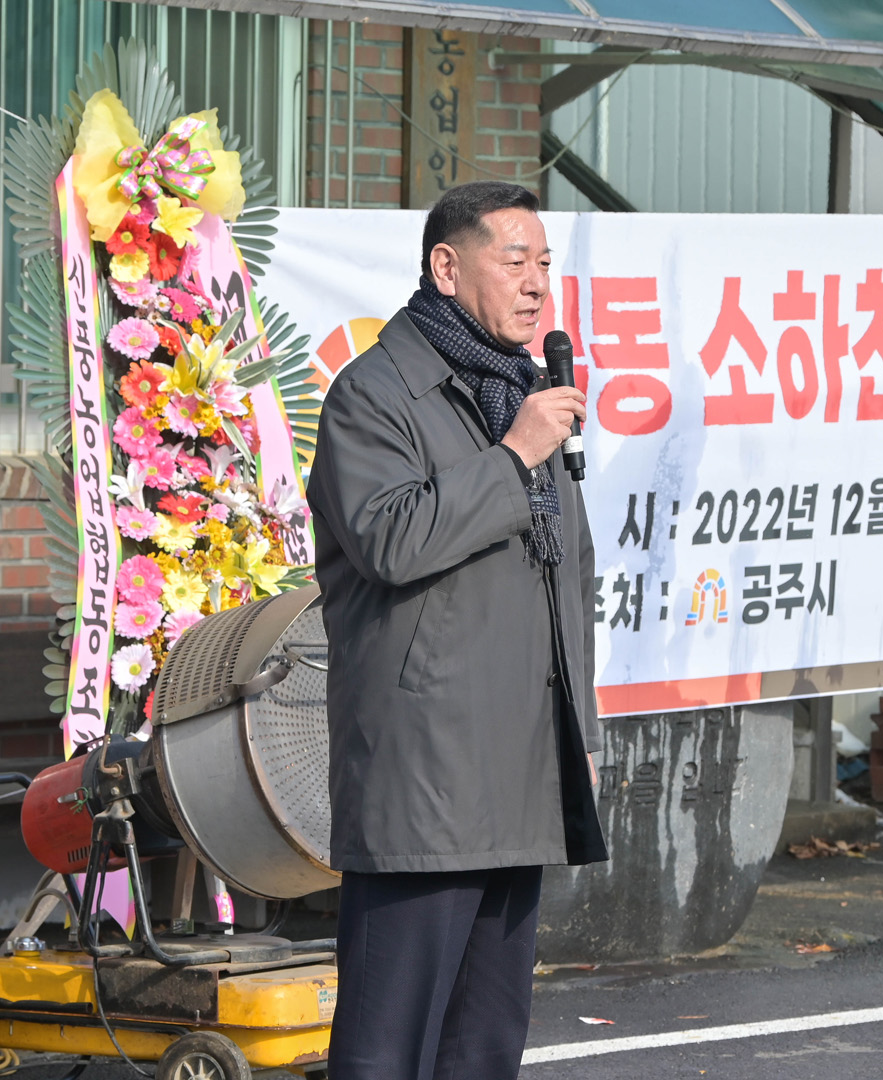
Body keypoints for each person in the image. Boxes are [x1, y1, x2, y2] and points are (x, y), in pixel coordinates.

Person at [307, 180, 607, 1080]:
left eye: (544, 263)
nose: (536, 284)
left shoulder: (522, 391)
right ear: (446, 267)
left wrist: (584, 734)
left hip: (521, 764)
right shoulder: (374, 393)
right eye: (514, 261)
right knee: (387, 1046)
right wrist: (513, 457)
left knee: (484, 1043)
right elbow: (391, 540)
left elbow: (571, 576)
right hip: (426, 773)